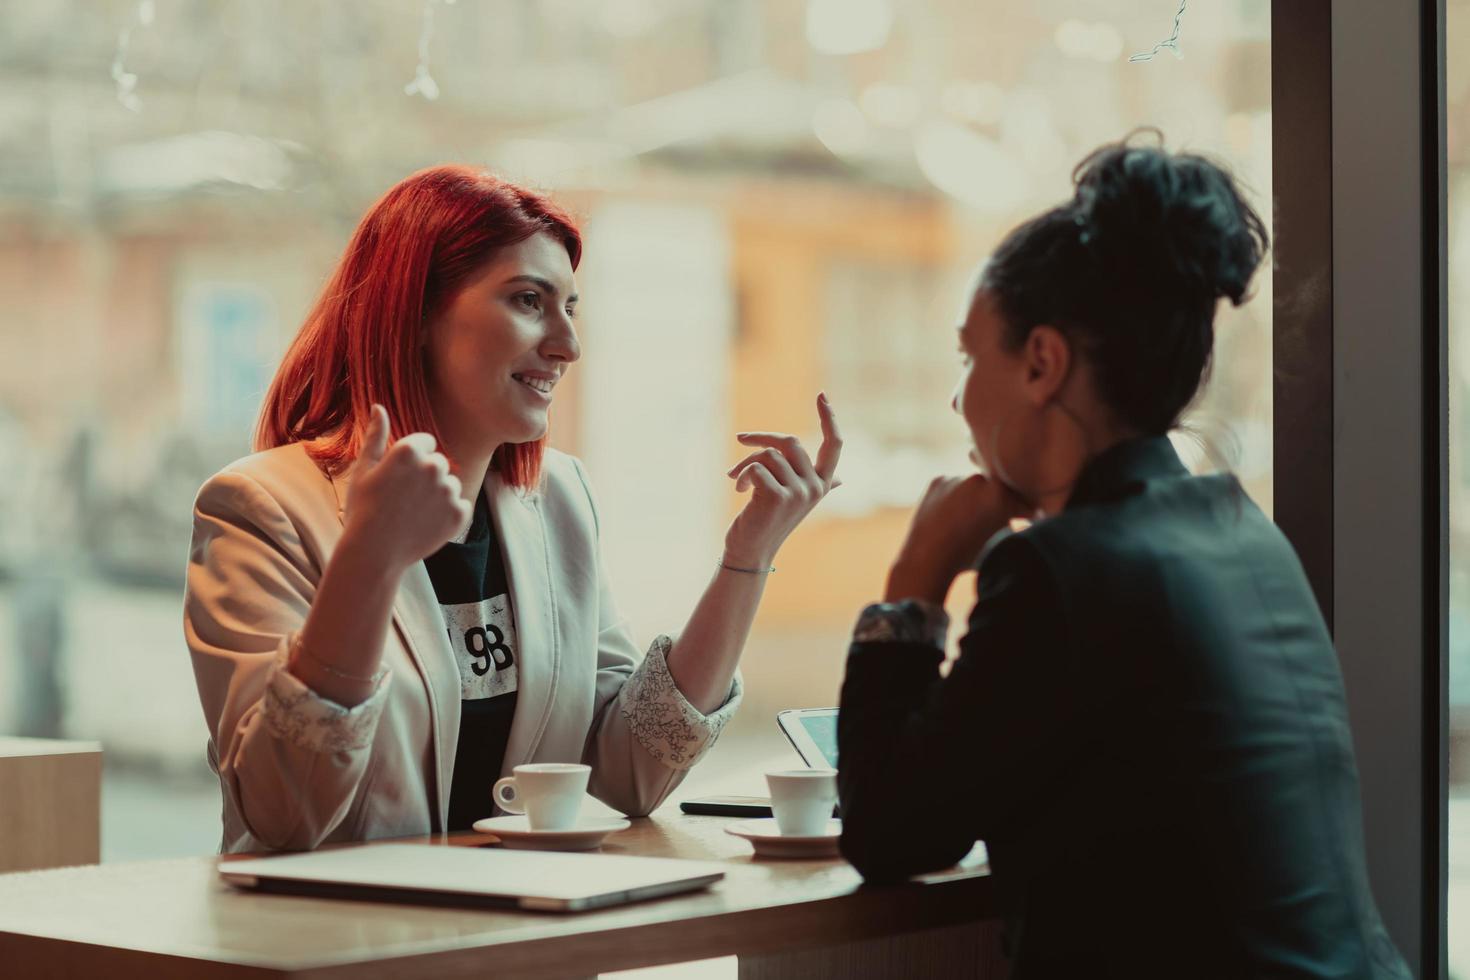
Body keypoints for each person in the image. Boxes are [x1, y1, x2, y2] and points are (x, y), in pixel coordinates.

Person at [835, 133, 1411, 979]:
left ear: (1041, 364)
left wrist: (914, 580)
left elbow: (888, 835)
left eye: (969, 356)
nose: (958, 396)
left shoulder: (1063, 571)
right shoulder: (1242, 533)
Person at [185, 165, 841, 853]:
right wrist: (369, 560)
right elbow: (286, 812)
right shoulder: (261, 507)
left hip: (520, 934)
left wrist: (749, 558)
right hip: (345, 949)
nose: (568, 345)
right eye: (529, 300)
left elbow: (629, 773)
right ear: (414, 316)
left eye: (570, 307)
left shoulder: (556, 500)